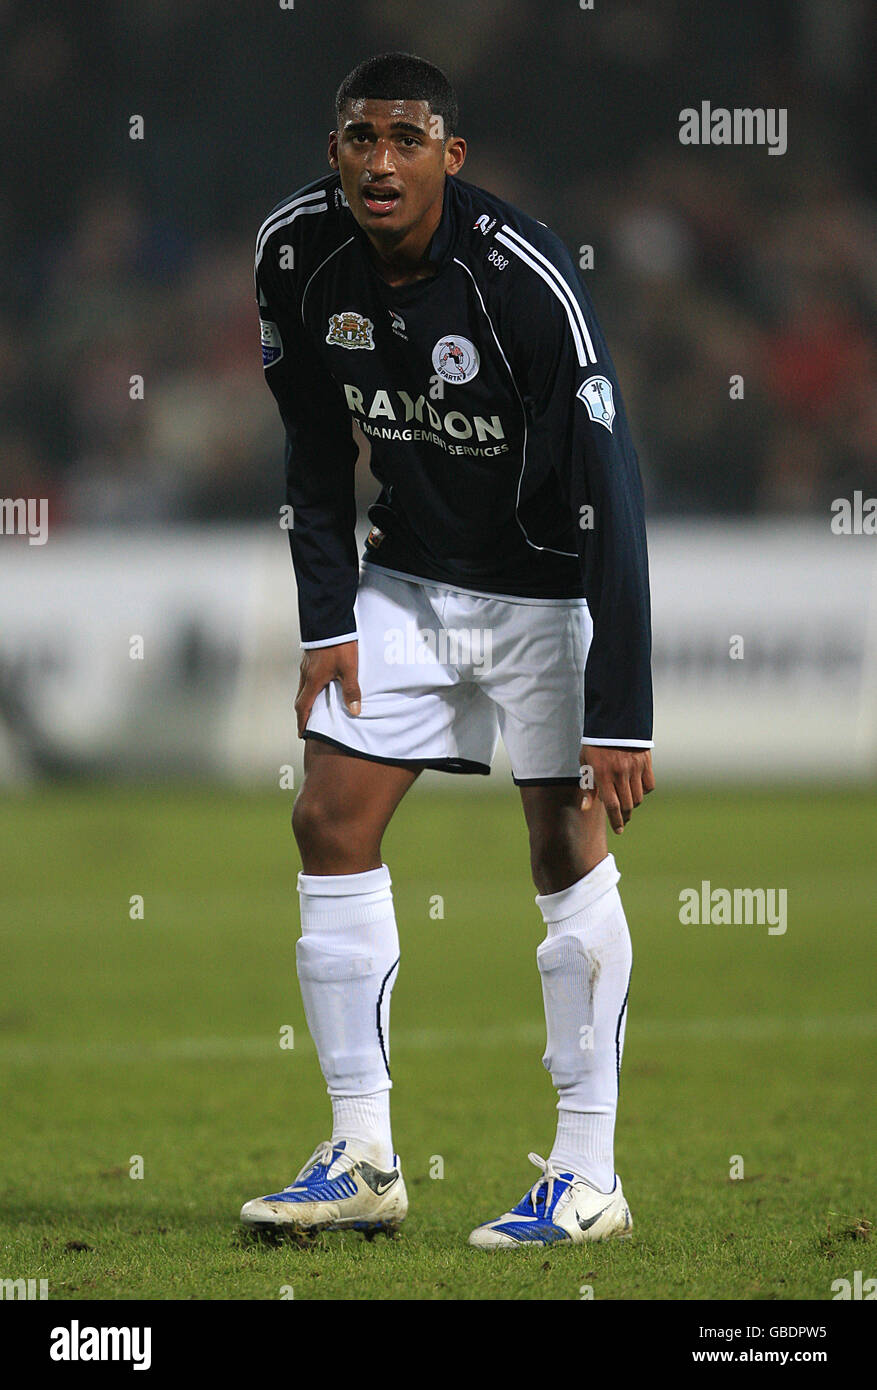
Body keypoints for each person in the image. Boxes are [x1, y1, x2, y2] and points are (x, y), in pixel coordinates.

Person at [241, 51, 654, 1248]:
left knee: (562, 850)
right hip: (407, 582)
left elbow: (611, 489)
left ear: (448, 158)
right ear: (336, 153)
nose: (380, 160)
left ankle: (588, 1174)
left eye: (406, 139)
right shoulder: (292, 255)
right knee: (327, 817)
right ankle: (362, 1155)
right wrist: (327, 615)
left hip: (539, 591)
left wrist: (617, 705)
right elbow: (312, 440)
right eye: (360, 138)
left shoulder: (522, 280)